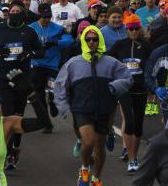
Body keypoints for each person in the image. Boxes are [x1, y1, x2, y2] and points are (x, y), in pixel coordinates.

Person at [54, 24, 133, 186]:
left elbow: (127, 78)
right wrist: (62, 106)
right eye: (88, 39)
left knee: (99, 148)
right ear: (83, 40)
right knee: (88, 141)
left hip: (105, 109)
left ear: (100, 40)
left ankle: (96, 178)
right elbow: (60, 84)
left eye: (95, 39)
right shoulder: (73, 63)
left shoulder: (111, 62)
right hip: (82, 109)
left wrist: (114, 86)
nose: (91, 42)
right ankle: (84, 169)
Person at [0, 0, 45, 170]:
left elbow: (41, 51)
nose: (15, 13)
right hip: (3, 78)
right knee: (7, 116)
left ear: (23, 13)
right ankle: (7, 152)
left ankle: (15, 147)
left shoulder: (29, 31)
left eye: (18, 11)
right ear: (8, 13)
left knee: (18, 116)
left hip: (22, 79)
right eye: (12, 10)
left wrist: (29, 53)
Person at [106, 12, 151, 171]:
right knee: (129, 122)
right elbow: (108, 60)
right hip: (124, 88)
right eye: (131, 29)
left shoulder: (145, 46)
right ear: (126, 29)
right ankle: (131, 159)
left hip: (140, 89)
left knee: (138, 125)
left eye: (136, 28)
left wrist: (151, 85)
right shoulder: (120, 44)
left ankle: (135, 155)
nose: (133, 32)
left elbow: (151, 65)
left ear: (140, 29)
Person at [30, 2, 73, 135]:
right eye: (44, 17)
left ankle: (53, 102)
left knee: (55, 89)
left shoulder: (58, 28)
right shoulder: (31, 28)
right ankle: (46, 123)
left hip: (53, 65)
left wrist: (56, 42)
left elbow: (70, 40)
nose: (47, 20)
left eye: (49, 17)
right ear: (39, 16)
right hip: (37, 65)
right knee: (39, 95)